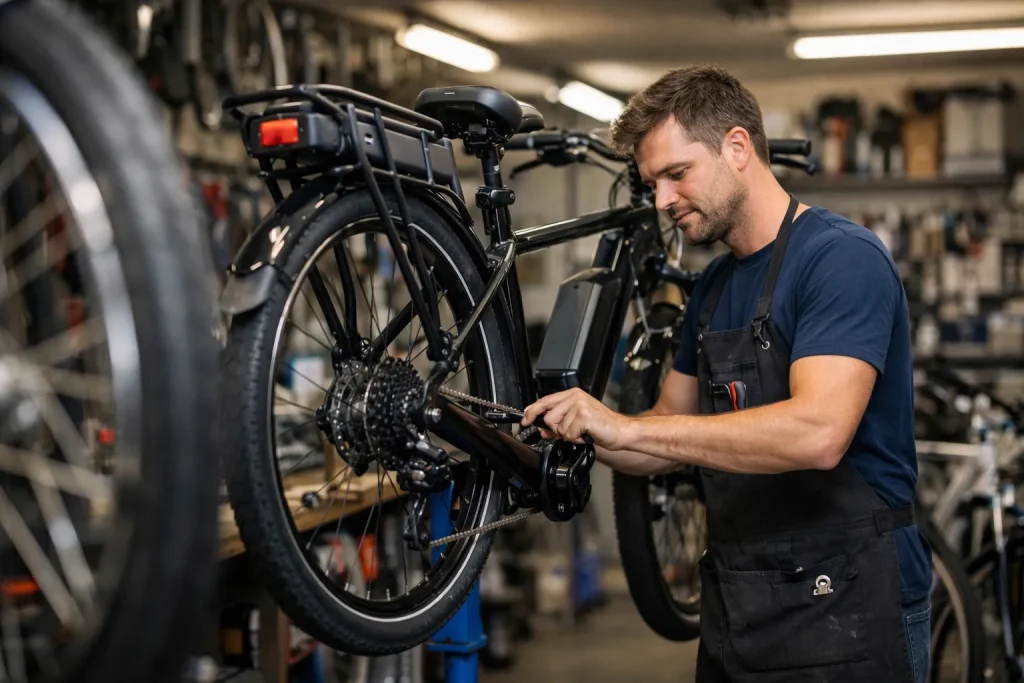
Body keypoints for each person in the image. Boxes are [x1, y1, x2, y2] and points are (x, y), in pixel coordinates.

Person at [522, 65, 932, 683]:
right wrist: (582, 429)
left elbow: (817, 432)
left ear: (737, 148)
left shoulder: (840, 259)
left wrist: (629, 431)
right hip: (741, 609)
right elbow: (661, 432)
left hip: (849, 605)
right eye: (651, 182)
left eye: (676, 174)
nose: (661, 200)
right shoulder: (713, 287)